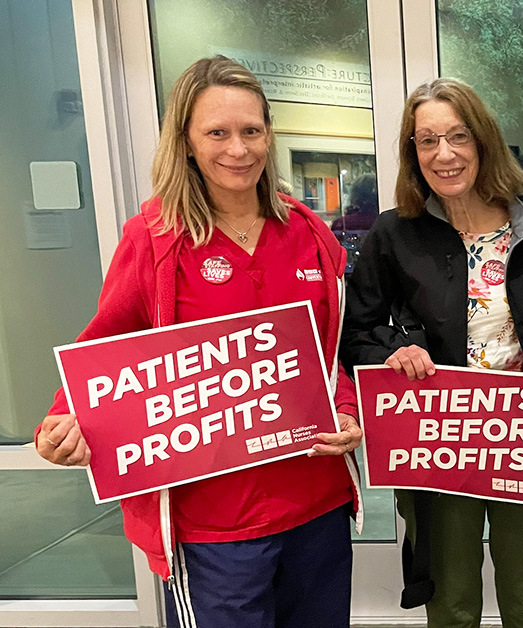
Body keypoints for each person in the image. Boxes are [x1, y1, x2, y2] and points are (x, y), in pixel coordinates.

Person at [33, 56, 363, 628]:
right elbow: (105, 351)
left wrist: (349, 409)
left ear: (268, 134)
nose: (239, 149)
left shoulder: (310, 233)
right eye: (217, 133)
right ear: (185, 142)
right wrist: (63, 423)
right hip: (213, 524)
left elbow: (336, 351)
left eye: (251, 131)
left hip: (317, 503)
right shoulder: (155, 240)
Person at [339, 77, 523, 628]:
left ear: (483, 143)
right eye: (427, 141)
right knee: (450, 606)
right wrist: (395, 350)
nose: (444, 154)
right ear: (413, 153)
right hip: (437, 446)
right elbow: (354, 334)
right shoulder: (393, 234)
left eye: (458, 137)